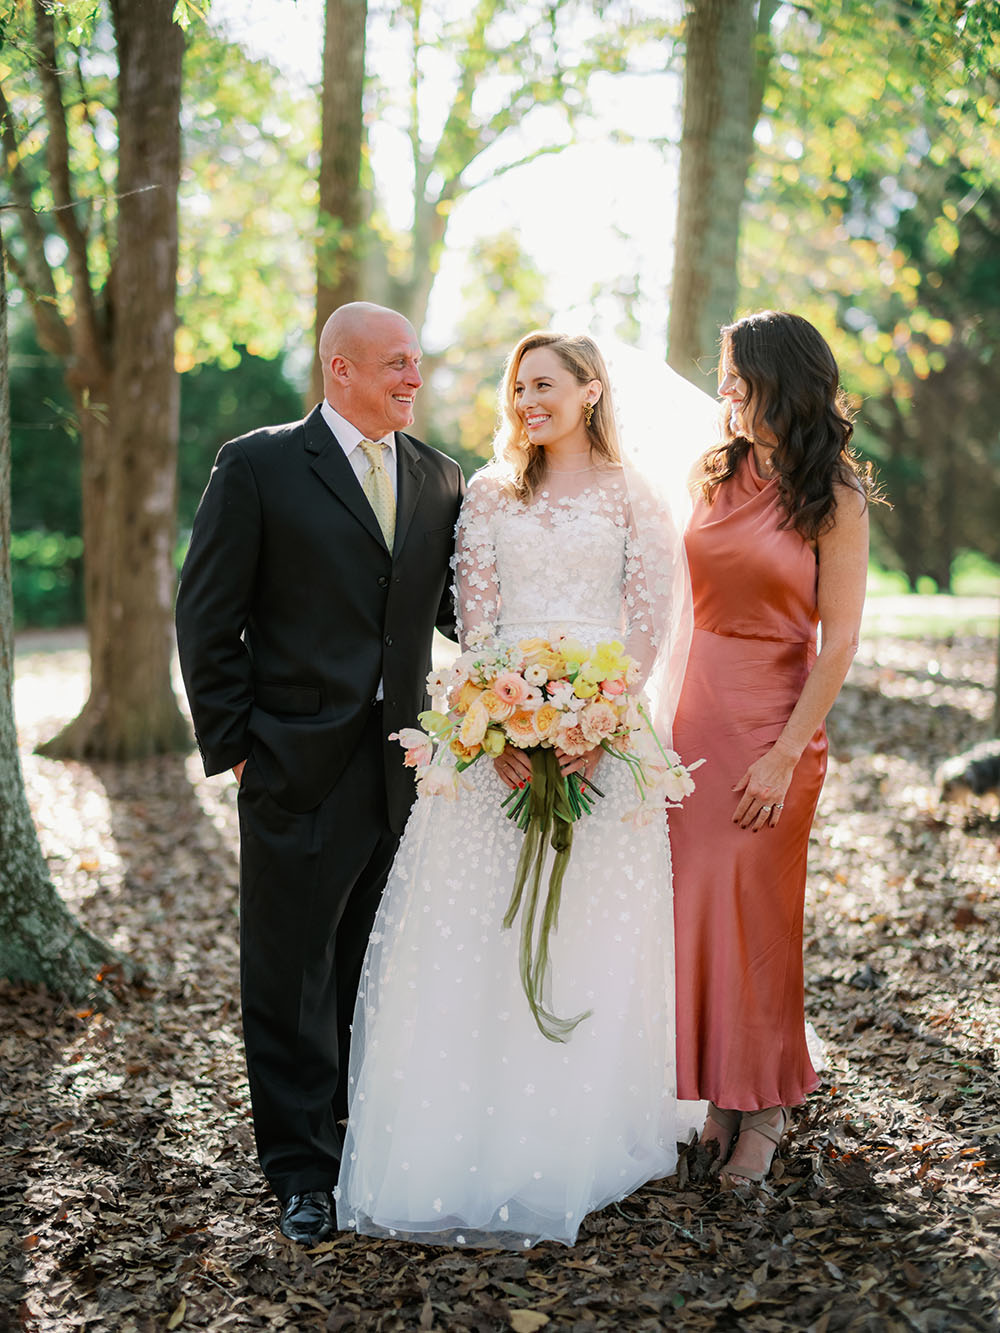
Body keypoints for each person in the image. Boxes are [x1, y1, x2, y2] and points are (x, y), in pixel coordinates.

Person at [335, 332, 691, 1250]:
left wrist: (595, 724)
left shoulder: (633, 495)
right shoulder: (490, 494)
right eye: (518, 387)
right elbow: (478, 624)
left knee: (590, 935)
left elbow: (649, 628)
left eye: (545, 384)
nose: (528, 400)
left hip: (602, 751)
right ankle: (468, 1137)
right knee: (476, 937)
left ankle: (573, 1137)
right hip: (493, 743)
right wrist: (498, 724)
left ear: (589, 390)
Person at [174, 302, 465, 1245]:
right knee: (289, 972)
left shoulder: (438, 476)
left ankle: (356, 1137)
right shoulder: (257, 464)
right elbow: (205, 615)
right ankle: (299, 1168)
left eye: (416, 363)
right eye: (395, 365)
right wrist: (240, 741)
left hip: (403, 770)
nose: (412, 380)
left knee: (364, 967)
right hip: (294, 761)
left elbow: (466, 610)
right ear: (339, 370)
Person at [670, 310, 876, 1187]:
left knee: (757, 915)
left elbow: (839, 643)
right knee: (698, 909)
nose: (723, 392)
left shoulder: (834, 493)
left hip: (774, 721)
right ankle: (720, 1097)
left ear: (777, 381)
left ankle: (769, 1104)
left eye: (736, 377)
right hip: (695, 714)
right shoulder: (712, 472)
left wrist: (787, 752)